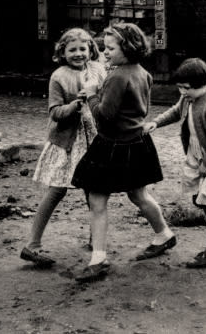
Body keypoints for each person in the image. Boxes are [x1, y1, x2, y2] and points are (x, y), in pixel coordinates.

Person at [70, 22, 175, 282]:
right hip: (137, 142)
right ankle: (164, 234)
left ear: (127, 48)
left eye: (110, 48)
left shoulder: (117, 76)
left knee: (97, 200)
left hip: (113, 144)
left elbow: (104, 116)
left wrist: (93, 94)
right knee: (138, 194)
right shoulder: (142, 72)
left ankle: (98, 259)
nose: (105, 52)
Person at [145, 59, 206, 268]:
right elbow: (176, 111)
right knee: (199, 198)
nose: (182, 92)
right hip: (200, 154)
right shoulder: (189, 98)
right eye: (179, 87)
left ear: (203, 84)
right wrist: (156, 122)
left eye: (186, 88)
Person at [20, 28, 103, 268]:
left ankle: (94, 239)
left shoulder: (98, 69)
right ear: (62, 52)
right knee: (56, 190)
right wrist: (76, 104)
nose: (78, 54)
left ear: (90, 49)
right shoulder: (58, 76)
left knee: (93, 189)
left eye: (82, 49)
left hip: (93, 139)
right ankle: (32, 245)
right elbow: (54, 112)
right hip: (67, 143)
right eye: (72, 50)